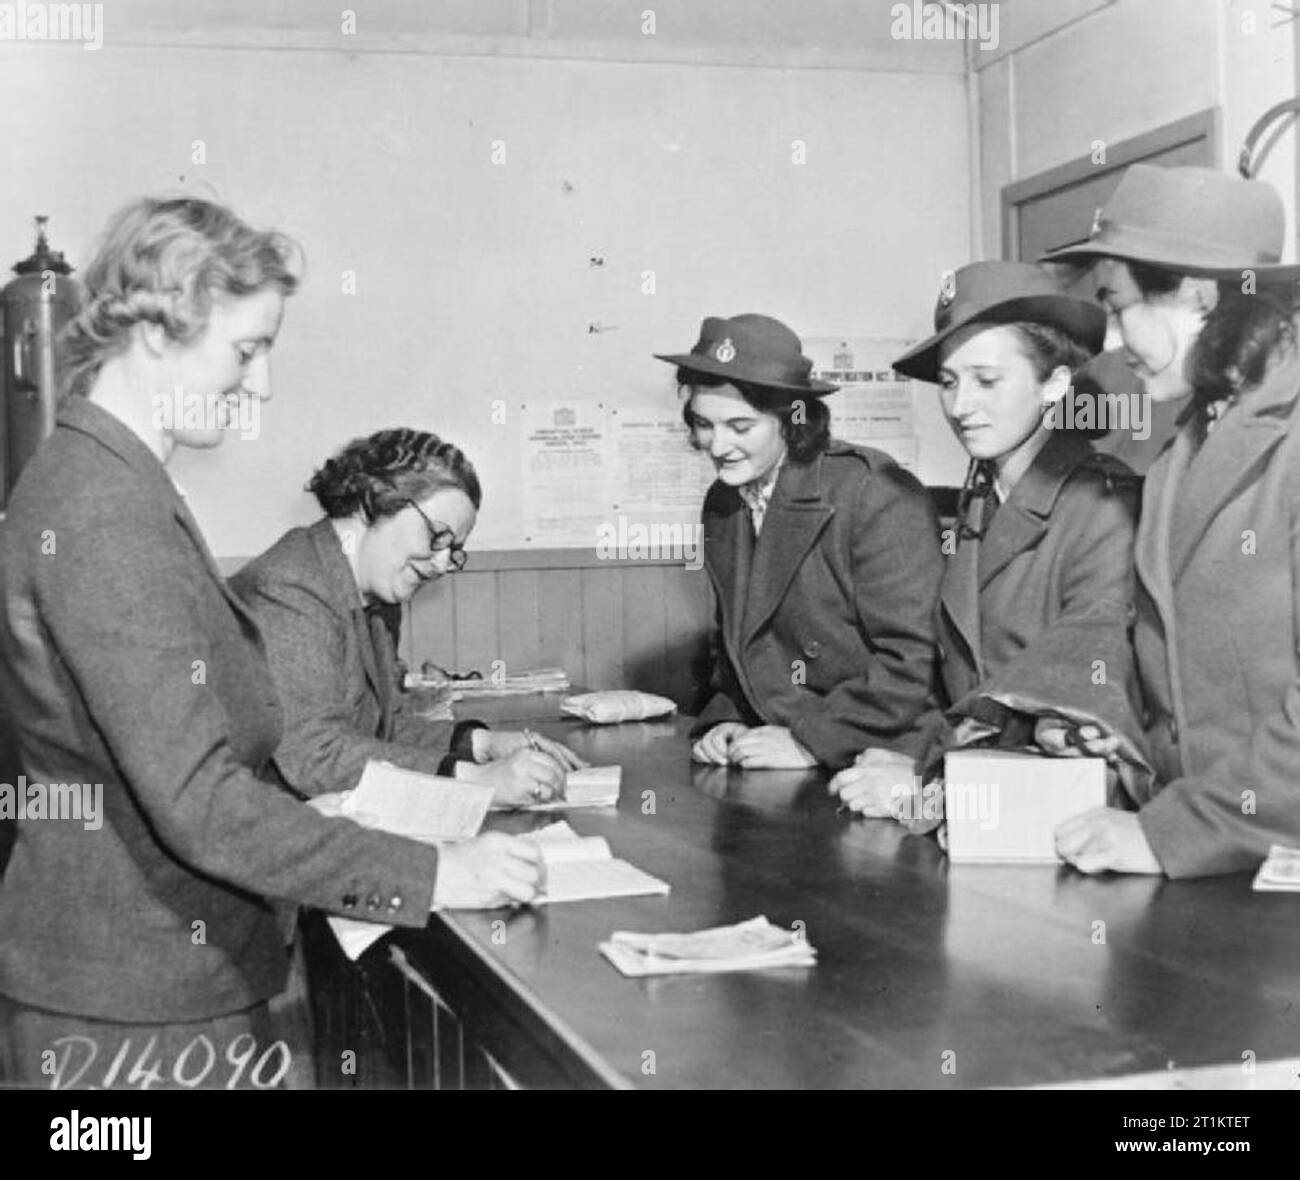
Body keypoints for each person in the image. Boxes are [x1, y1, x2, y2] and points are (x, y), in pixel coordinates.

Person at [0, 196, 542, 1089]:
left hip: (155, 985)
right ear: (157, 323)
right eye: (247, 349)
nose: (262, 386)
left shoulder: (116, 484)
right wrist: (433, 872)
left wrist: (314, 816)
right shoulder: (102, 509)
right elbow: (199, 801)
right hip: (133, 1008)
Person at [1038, 163, 1300, 876]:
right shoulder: (1188, 438)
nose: (1115, 342)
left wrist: (1174, 834)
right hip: (1218, 859)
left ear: (1196, 296)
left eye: (1119, 309)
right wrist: (1104, 726)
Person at [829, 262, 1145, 819]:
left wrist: (927, 791)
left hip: (1060, 817)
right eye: (949, 383)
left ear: (1055, 384)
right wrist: (907, 756)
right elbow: (960, 686)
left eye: (987, 380)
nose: (960, 406)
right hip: (981, 798)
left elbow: (1077, 719)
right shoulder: (981, 499)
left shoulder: (1105, 506)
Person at [231, 428, 585, 809]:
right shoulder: (289, 587)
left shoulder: (375, 592)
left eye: (454, 550)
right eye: (437, 536)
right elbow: (316, 754)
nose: (443, 564)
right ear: (373, 502)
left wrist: (482, 745)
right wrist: (474, 779)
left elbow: (380, 727)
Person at [653, 314, 943, 771]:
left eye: (741, 427)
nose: (717, 445)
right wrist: (726, 718)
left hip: (879, 751)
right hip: (780, 742)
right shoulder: (724, 501)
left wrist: (812, 740)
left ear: (792, 420)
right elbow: (741, 642)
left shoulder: (874, 493)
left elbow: (912, 663)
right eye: (704, 423)